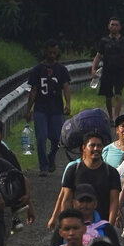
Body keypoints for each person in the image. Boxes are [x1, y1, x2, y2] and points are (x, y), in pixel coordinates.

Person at [52, 130, 122, 229]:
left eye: (99, 145)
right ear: (84, 148)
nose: (96, 149)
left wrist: (109, 226)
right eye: (92, 145)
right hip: (77, 226)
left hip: (101, 225)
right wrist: (66, 223)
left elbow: (114, 201)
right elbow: (66, 199)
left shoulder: (111, 172)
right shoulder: (73, 170)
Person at [25, 38, 72, 175]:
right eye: (49, 52)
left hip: (57, 108)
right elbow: (33, 90)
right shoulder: (37, 69)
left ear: (57, 53)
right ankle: (43, 166)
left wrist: (68, 104)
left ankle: (51, 156)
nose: (52, 55)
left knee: (57, 138)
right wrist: (29, 110)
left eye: (54, 52)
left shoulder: (61, 69)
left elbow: (66, 87)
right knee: (41, 137)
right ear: (45, 52)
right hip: (41, 108)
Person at [92, 16, 124, 121]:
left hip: (120, 71)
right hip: (107, 71)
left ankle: (116, 116)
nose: (114, 27)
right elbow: (98, 56)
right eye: (112, 25)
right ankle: (110, 116)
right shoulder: (104, 41)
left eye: (116, 25)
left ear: (120, 27)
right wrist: (93, 69)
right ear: (108, 26)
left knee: (118, 93)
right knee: (108, 96)